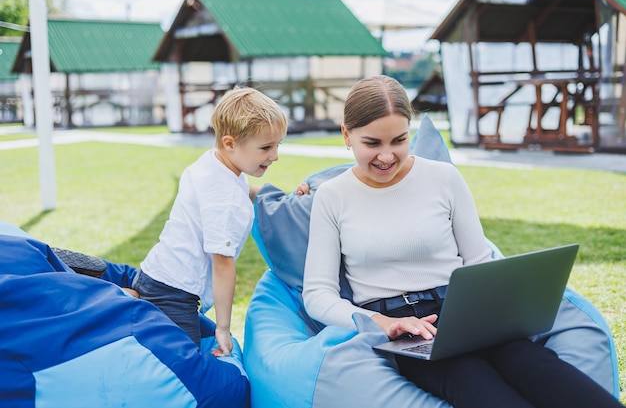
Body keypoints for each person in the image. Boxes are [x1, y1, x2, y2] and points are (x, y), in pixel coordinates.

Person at [301, 75, 624, 408]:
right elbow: (317, 294)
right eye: (372, 144)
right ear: (346, 135)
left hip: (467, 314)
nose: (386, 156)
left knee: (540, 368)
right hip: (404, 331)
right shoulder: (332, 197)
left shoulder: (443, 178)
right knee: (480, 388)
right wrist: (383, 324)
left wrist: (492, 313)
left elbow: (479, 260)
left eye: (399, 140)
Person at [133, 86, 288, 354]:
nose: (275, 156)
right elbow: (222, 264)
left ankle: (136, 299)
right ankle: (129, 311)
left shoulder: (214, 163)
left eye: (277, 145)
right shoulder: (224, 200)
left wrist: (283, 197)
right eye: (266, 148)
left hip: (156, 274)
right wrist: (223, 328)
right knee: (187, 370)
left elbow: (242, 188)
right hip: (174, 295)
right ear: (230, 143)